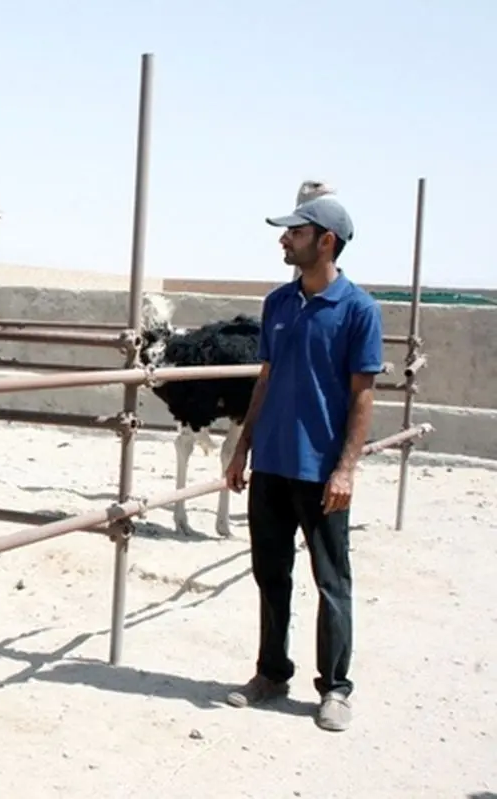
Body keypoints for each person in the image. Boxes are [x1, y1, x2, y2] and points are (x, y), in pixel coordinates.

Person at [223, 190, 384, 732]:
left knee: (331, 582)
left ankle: (335, 688)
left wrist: (346, 469)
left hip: (322, 473)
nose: (284, 239)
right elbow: (266, 380)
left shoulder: (358, 310)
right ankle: (271, 674)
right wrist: (243, 445)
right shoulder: (278, 304)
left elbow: (363, 395)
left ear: (326, 241)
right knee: (271, 574)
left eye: (295, 232)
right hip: (271, 463)